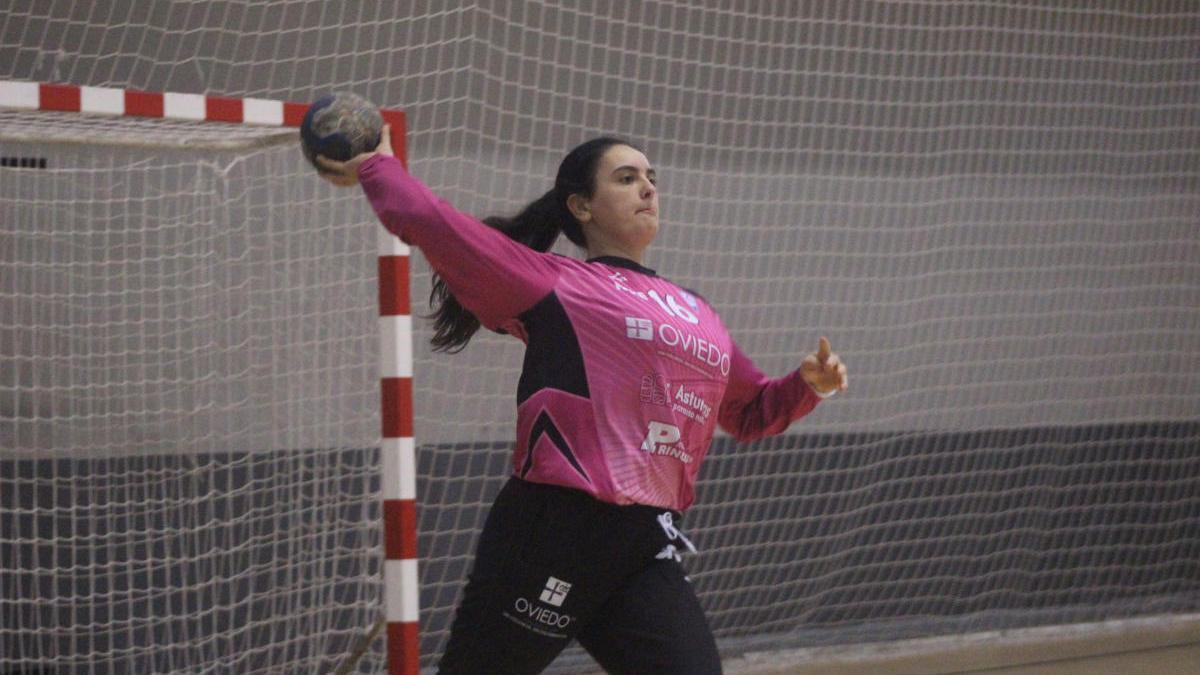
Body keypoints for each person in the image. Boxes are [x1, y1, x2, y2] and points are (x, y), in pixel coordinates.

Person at [318, 130, 848, 674]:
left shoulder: (696, 311)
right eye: (626, 178)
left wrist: (807, 386)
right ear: (581, 207)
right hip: (553, 533)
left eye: (650, 178)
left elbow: (749, 411)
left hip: (643, 541)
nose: (647, 188)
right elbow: (439, 226)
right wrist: (378, 168)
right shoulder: (553, 283)